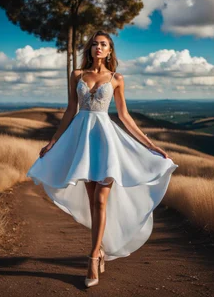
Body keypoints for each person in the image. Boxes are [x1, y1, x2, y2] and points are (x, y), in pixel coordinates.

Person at [26, 30, 179, 288]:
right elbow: (70, 110)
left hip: (105, 141)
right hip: (82, 142)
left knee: (100, 200)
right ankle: (101, 250)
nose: (99, 47)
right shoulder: (77, 75)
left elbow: (124, 116)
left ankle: (94, 257)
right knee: (93, 200)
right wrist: (53, 142)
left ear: (110, 51)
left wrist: (152, 145)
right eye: (95, 44)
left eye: (103, 44)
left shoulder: (116, 78)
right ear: (90, 48)